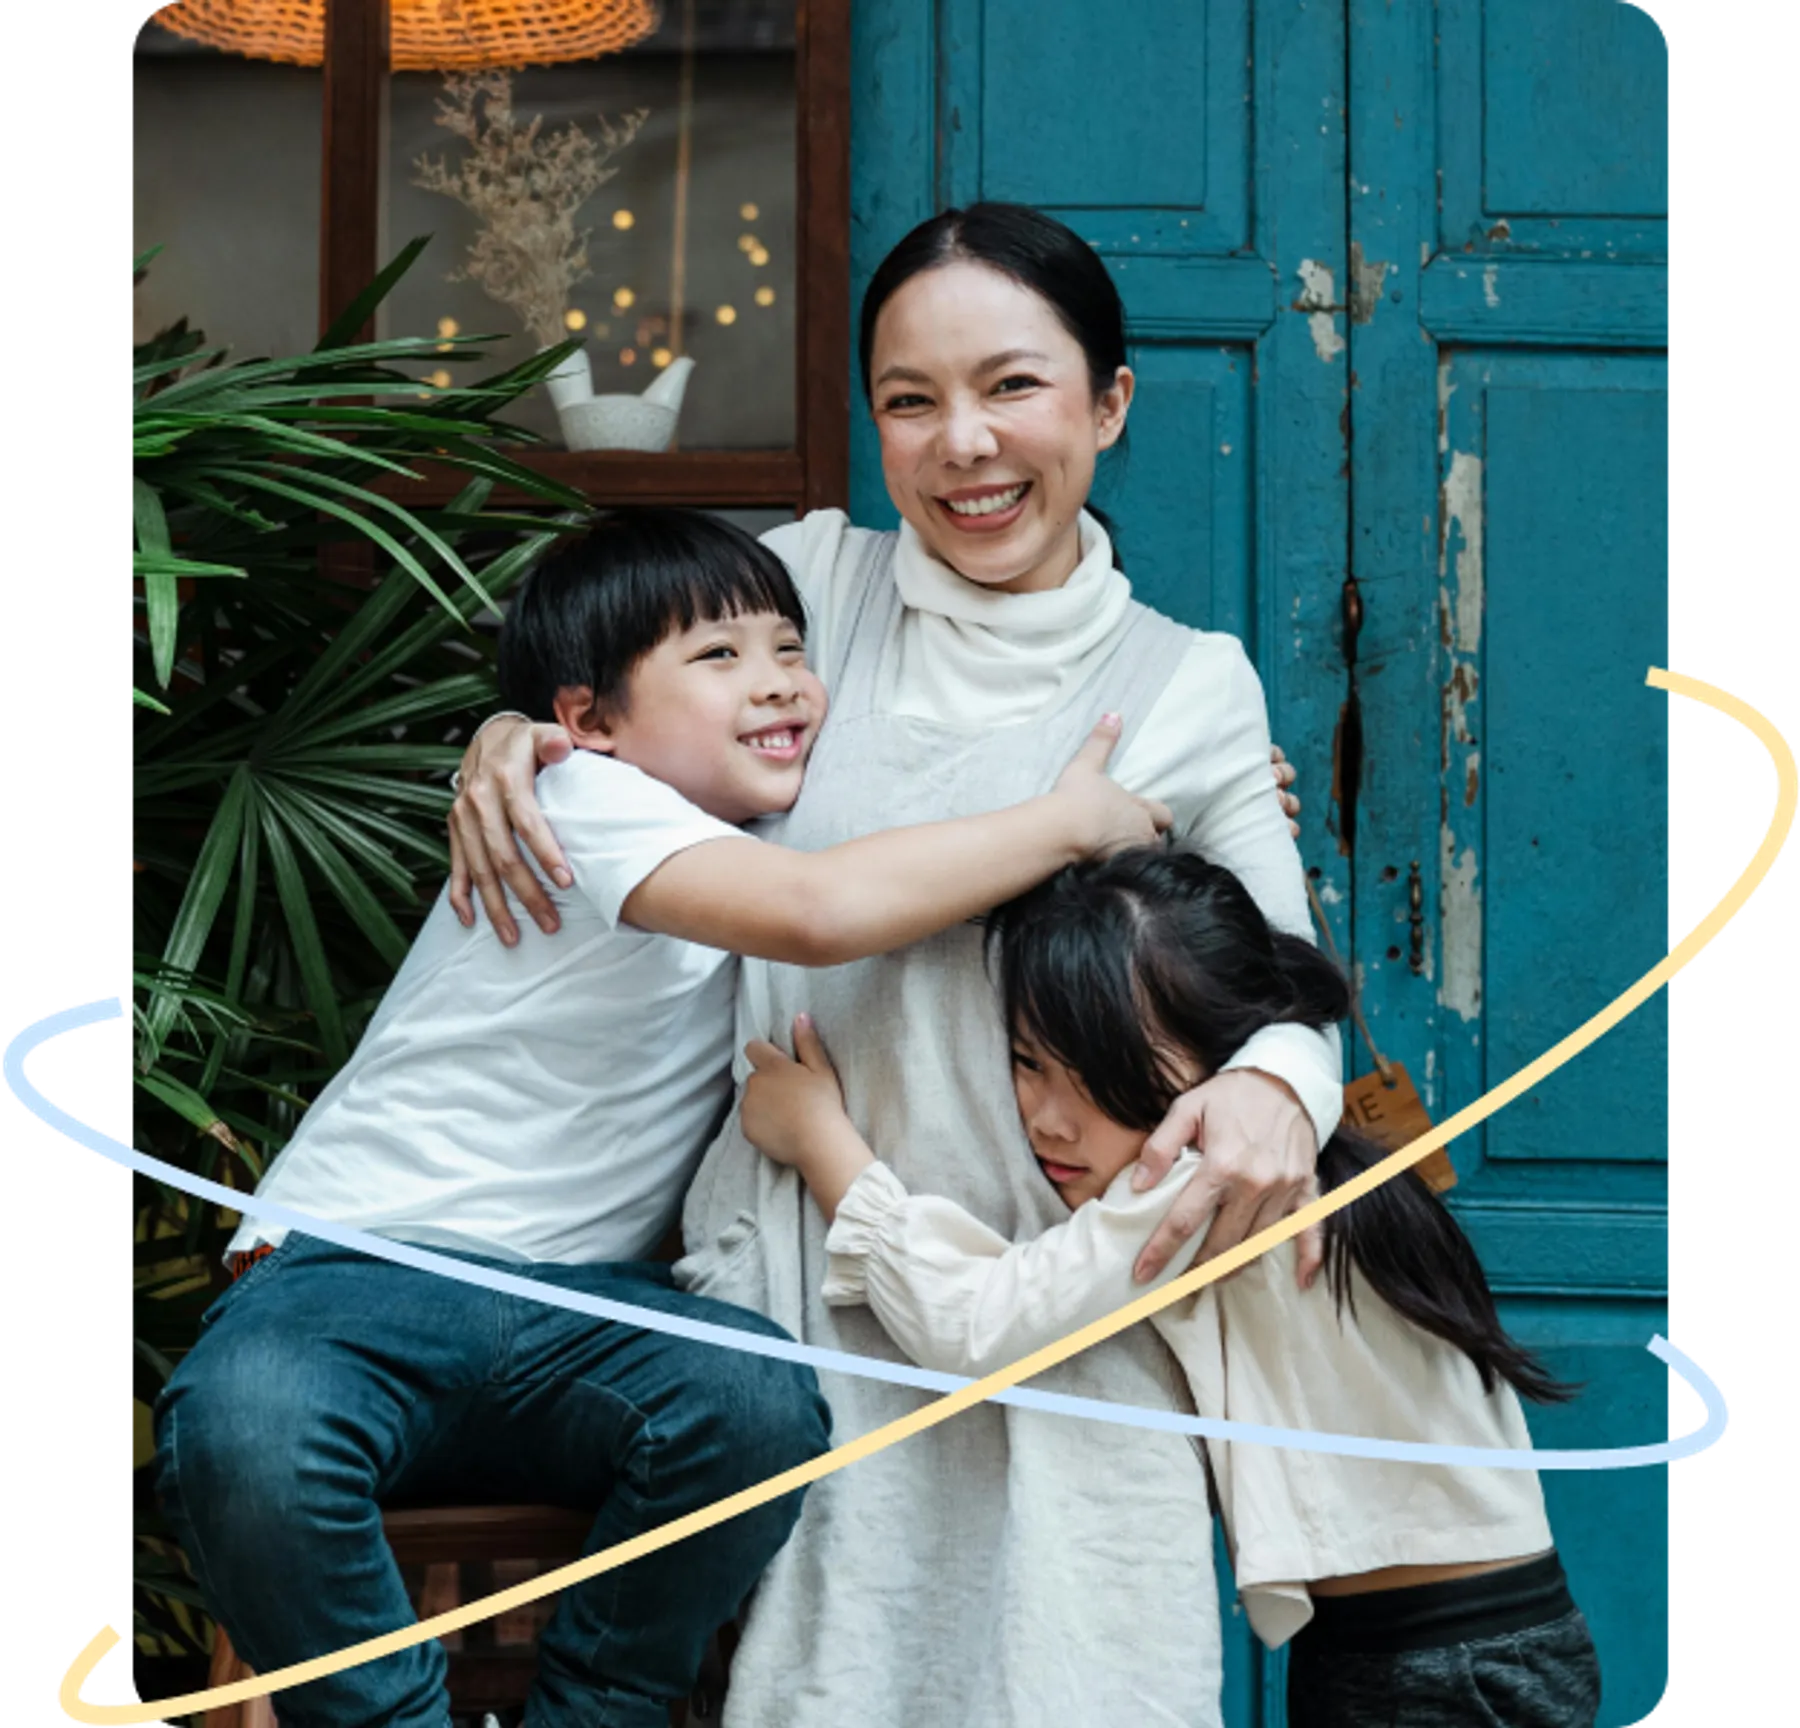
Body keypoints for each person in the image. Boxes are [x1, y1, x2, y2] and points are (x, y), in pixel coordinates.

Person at [450, 203, 1340, 1727]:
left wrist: (1276, 1093)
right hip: (791, 1310)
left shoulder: (1187, 684)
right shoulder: (806, 587)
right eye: (911, 401)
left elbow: (1294, 984)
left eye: (1014, 386)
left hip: (1052, 1322)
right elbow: (612, 694)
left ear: (1110, 402)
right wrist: (514, 733)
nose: (964, 444)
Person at [153, 508, 1171, 1728]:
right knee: (246, 1426)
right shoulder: (582, 798)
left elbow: (886, 849)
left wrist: (1196, 795)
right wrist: (1071, 822)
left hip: (587, 1315)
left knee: (752, 1405)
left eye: (789, 649)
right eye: (719, 656)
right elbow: (822, 911)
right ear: (588, 721)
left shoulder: (756, 835)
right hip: (362, 1275)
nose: (777, 682)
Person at [742, 844, 1603, 1728]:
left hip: (1444, 1667)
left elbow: (975, 1322)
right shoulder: (1304, 1157)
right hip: (1433, 1643)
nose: (1050, 1119)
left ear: (1223, 1060)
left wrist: (821, 1141)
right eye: (1029, 1062)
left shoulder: (1198, 1178)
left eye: (1103, 1077)